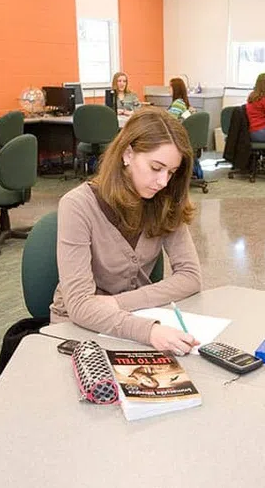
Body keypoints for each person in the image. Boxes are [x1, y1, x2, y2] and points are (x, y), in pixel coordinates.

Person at [50, 108, 202, 356]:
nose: (163, 182)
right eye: (156, 167)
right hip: (77, 328)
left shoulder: (165, 200)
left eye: (171, 172)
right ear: (128, 154)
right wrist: (149, 331)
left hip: (135, 318)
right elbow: (78, 305)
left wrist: (120, 303)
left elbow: (191, 277)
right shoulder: (77, 205)